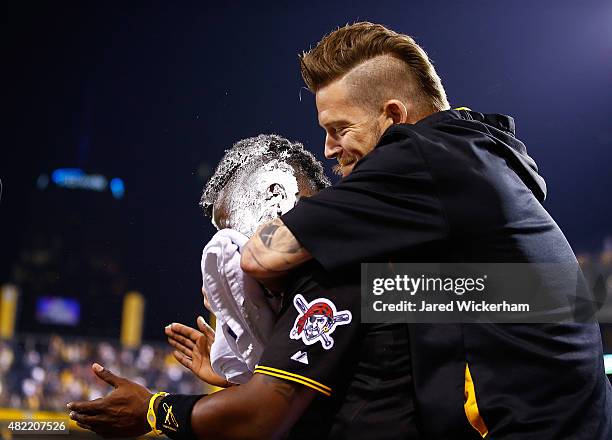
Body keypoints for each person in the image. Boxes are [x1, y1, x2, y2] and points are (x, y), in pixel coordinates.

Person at [240, 22, 612, 439]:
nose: (328, 148)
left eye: (339, 129)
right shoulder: (474, 160)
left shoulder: (424, 155)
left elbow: (259, 255)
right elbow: (500, 296)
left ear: (394, 116)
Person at [67, 134, 420, 439]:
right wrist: (240, 378)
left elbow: (263, 419)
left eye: (236, 235)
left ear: (280, 197)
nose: (235, 262)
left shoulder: (337, 270)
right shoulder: (363, 271)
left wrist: (153, 410)